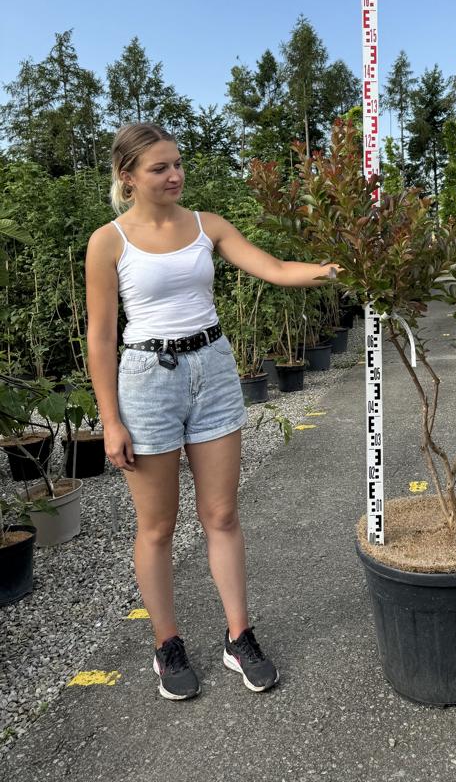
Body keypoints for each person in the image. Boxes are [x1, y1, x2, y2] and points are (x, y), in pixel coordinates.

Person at [85, 122, 340, 701]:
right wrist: (111, 419)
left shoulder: (208, 227)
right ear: (128, 178)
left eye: (177, 164)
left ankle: (239, 636)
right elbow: (101, 338)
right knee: (157, 527)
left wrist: (330, 270)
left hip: (215, 372)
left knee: (221, 516)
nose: (174, 175)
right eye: (159, 168)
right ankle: (166, 643)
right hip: (147, 383)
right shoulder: (109, 242)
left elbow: (274, 269)